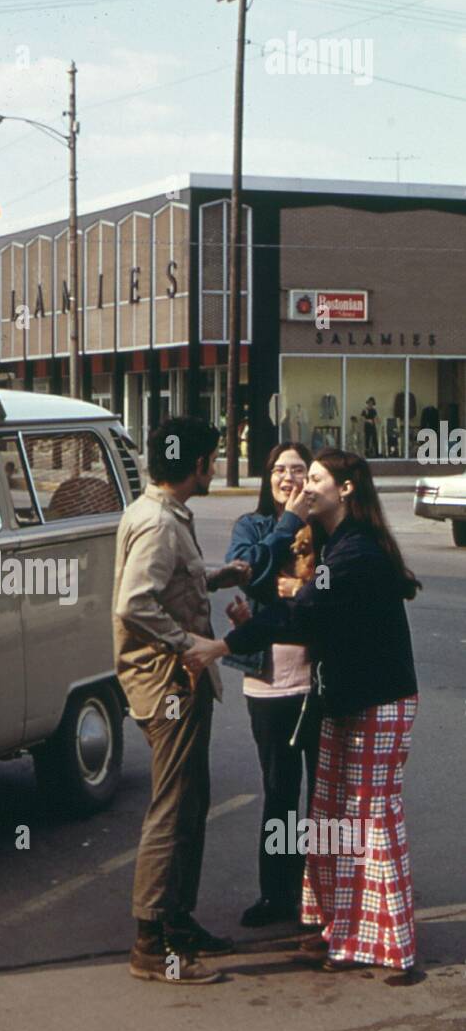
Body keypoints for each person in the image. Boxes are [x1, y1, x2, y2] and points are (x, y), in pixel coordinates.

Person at [186, 450, 421, 973]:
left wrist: (221, 647)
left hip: (378, 699)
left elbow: (303, 611)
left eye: (314, 478)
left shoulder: (355, 551)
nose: (304, 486)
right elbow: (292, 606)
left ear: (347, 489)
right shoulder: (335, 542)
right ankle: (341, 929)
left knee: (371, 819)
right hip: (341, 698)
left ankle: (393, 946)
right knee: (330, 819)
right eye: (298, 476)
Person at [112, 416, 251, 985]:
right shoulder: (160, 525)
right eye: (212, 459)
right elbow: (133, 604)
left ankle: (178, 922)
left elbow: (172, 584)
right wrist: (186, 643)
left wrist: (218, 578)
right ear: (196, 466)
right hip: (168, 684)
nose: (214, 468)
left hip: (176, 682)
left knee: (191, 802)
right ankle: (151, 943)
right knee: (172, 808)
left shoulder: (161, 514)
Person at [224, 442, 323, 927]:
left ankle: (319, 897)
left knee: (324, 795)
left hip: (320, 680)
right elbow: (249, 573)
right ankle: (276, 895)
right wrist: (286, 525)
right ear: (267, 478)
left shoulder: (325, 526)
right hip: (268, 682)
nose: (288, 477)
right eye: (279, 469)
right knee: (279, 791)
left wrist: (288, 589)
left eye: (298, 470)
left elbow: (333, 589)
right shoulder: (255, 526)